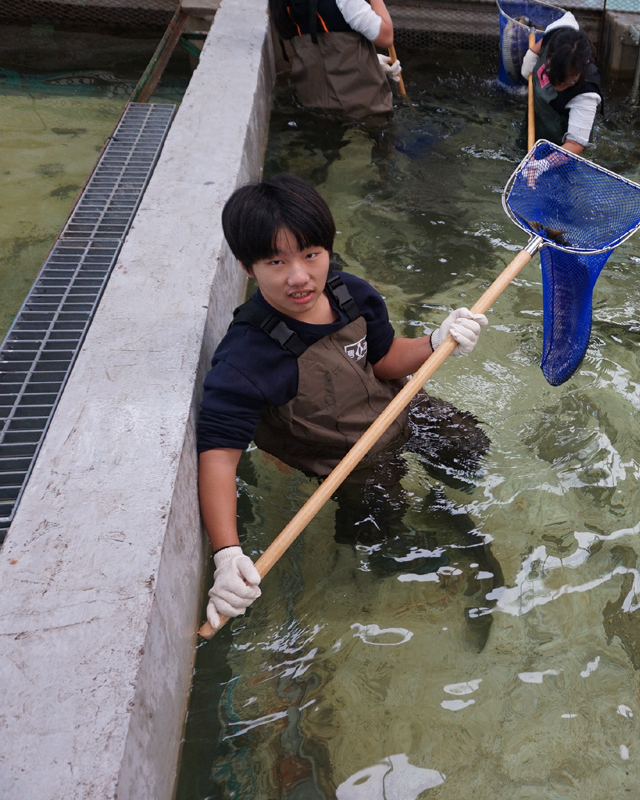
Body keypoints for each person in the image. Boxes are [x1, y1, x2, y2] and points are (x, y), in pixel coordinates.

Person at [199, 175, 491, 628]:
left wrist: (436, 340)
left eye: (311, 255)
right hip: (348, 459)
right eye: (276, 261)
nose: (299, 277)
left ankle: (445, 496)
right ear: (246, 267)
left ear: (327, 250)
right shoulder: (246, 358)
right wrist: (227, 552)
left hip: (401, 408)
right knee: (381, 534)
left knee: (471, 447)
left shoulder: (351, 294)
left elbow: (387, 360)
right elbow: (218, 457)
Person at [269, 0, 402, 120]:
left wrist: (373, 60)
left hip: (313, 110)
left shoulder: (283, 4)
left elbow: (321, 49)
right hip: (363, 113)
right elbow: (386, 36)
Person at [521, 12, 602, 154]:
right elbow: (541, 44)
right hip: (536, 122)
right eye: (552, 73)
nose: (559, 84)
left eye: (566, 78)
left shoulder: (586, 94)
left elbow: (575, 145)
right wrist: (530, 59)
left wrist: (542, 165)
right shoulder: (558, 33)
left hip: (560, 149)